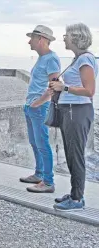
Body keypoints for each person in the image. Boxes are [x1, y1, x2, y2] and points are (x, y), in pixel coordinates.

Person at [50, 23, 97, 211]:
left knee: (75, 155)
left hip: (76, 111)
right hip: (70, 110)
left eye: (66, 35)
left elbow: (89, 91)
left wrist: (64, 88)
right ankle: (75, 193)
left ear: (77, 37)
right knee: (70, 154)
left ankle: (77, 199)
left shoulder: (85, 59)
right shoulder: (78, 59)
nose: (64, 38)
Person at [19, 25, 60, 193]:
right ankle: (39, 174)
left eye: (32, 38)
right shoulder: (42, 58)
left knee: (42, 144)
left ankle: (48, 182)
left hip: (39, 107)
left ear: (41, 39)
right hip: (31, 107)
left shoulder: (51, 58)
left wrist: (38, 102)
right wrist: (30, 104)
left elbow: (54, 86)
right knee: (35, 142)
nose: (29, 41)